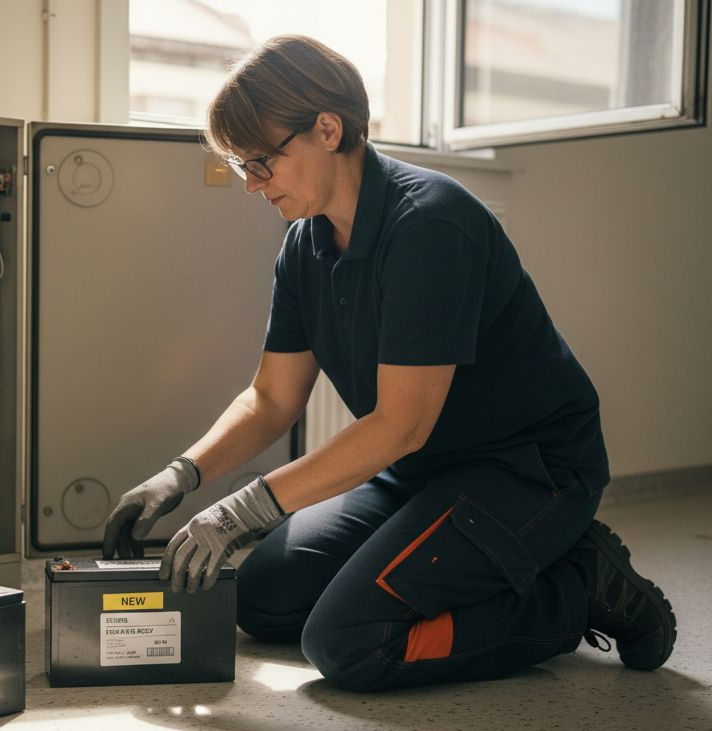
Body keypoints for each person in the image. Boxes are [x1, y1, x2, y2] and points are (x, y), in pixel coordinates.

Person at [101, 35, 676, 691]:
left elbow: (400, 423)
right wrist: (180, 477)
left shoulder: (430, 225)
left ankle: (577, 587)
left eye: (261, 161)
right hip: (424, 471)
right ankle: (493, 569)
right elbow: (271, 399)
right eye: (241, 166)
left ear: (327, 128)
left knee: (347, 644)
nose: (252, 185)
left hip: (528, 470)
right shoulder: (303, 244)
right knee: (261, 597)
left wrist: (240, 512)